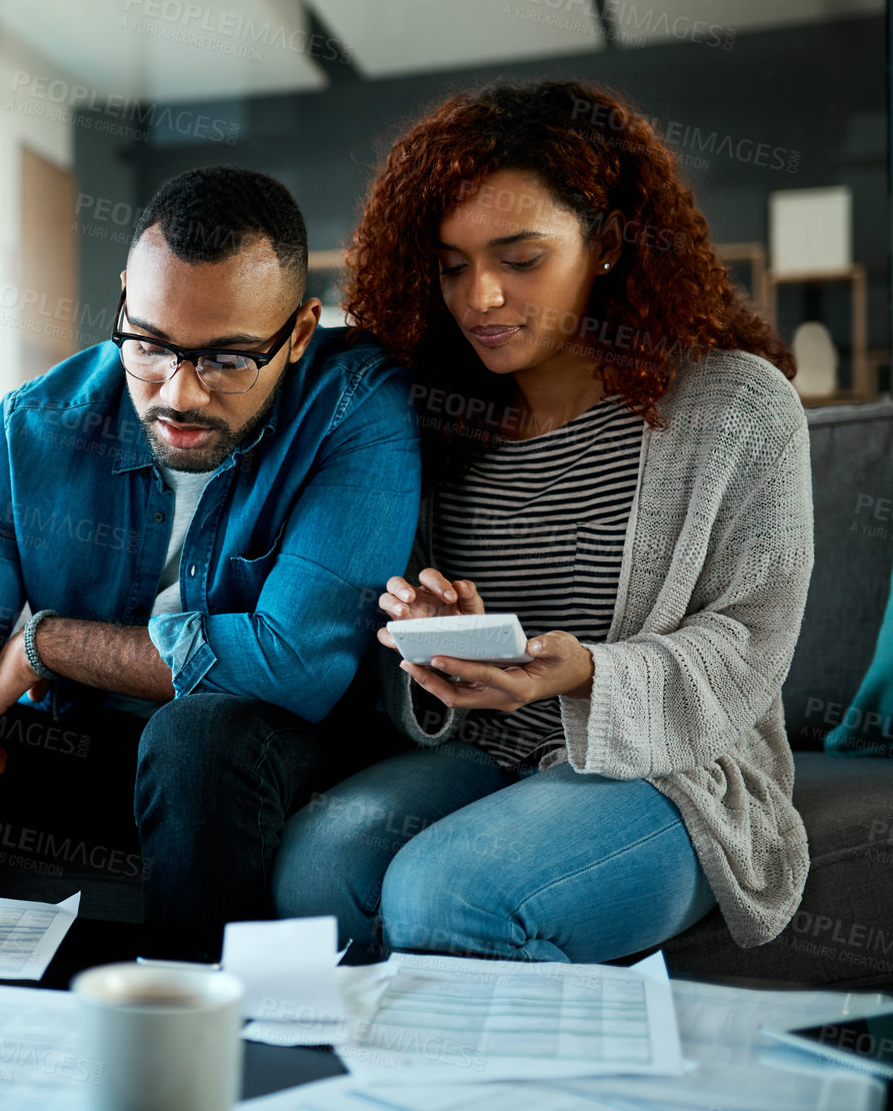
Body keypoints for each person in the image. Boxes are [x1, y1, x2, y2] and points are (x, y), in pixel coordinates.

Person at [0, 166, 421, 938]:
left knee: (194, 739)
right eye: (150, 344)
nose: (178, 394)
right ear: (125, 297)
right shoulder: (31, 432)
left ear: (296, 333)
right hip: (94, 753)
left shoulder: (355, 406)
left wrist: (48, 642)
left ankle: (188, 1031)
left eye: (225, 359)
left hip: (264, 755)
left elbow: (295, 663)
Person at [272, 80, 813, 964]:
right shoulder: (434, 418)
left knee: (445, 895)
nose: (480, 296)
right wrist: (431, 631)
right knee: (316, 869)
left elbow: (750, 642)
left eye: (518, 258)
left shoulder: (736, 409)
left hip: (668, 774)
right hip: (489, 751)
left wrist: (588, 672)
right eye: (451, 266)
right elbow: (398, 648)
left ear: (603, 244)